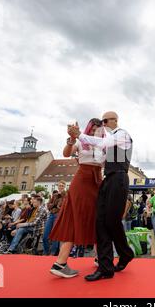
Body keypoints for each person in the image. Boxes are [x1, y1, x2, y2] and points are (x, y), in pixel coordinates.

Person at [70, 111, 135, 281]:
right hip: (108, 180)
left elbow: (102, 142)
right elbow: (98, 153)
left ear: (115, 120)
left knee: (111, 221)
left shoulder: (122, 134)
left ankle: (125, 253)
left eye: (105, 121)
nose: (103, 124)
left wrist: (81, 136)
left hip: (119, 178)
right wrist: (79, 153)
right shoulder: (107, 142)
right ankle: (106, 267)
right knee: (100, 222)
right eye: (102, 121)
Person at [49, 118, 105, 278]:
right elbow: (66, 153)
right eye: (93, 129)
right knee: (74, 218)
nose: (95, 131)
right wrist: (72, 138)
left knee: (98, 219)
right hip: (82, 181)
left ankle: (100, 258)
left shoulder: (104, 145)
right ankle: (60, 263)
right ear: (89, 129)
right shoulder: (81, 142)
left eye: (98, 129)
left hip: (97, 182)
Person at [43, 181, 67, 256]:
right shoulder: (55, 195)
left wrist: (55, 205)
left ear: (64, 186)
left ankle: (53, 253)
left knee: (55, 234)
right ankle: (46, 251)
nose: (61, 187)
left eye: (62, 185)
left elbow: (62, 207)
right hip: (51, 214)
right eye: (59, 185)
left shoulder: (66, 195)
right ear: (58, 186)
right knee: (45, 236)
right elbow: (48, 205)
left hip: (58, 215)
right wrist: (54, 204)